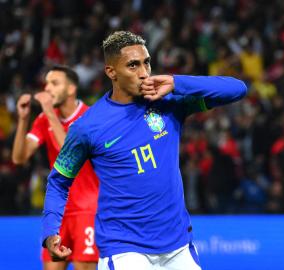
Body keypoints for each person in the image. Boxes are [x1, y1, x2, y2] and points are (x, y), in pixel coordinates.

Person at [41, 31, 247, 270]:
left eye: (146, 62)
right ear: (112, 72)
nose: (144, 72)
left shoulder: (169, 103)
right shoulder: (88, 126)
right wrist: (50, 232)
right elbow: (58, 182)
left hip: (178, 245)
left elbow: (237, 89)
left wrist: (177, 82)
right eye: (133, 65)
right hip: (126, 249)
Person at [12, 65, 99, 270]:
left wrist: (49, 111)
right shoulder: (43, 120)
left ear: (71, 89)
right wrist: (24, 119)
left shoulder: (89, 117)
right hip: (57, 213)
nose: (48, 88)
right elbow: (19, 158)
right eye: (46, 83)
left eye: (54, 83)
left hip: (87, 209)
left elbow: (70, 154)